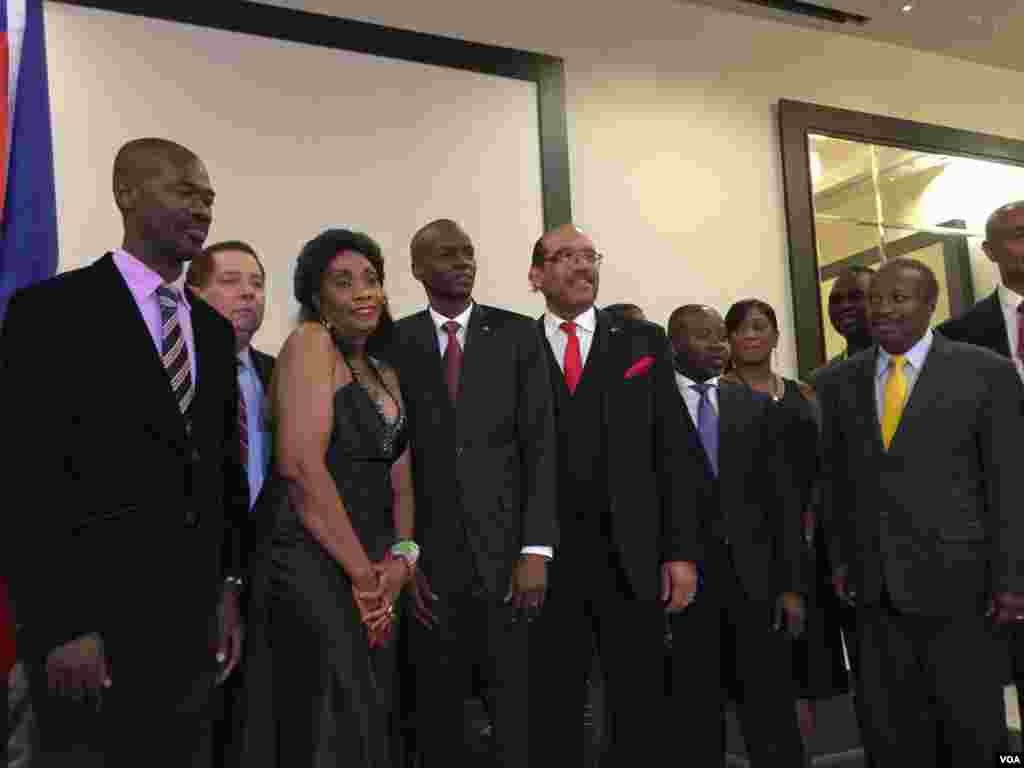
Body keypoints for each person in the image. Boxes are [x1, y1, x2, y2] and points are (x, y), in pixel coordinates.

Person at [0, 138, 245, 765]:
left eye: (209, 198)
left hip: (190, 636)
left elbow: (221, 474)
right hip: (91, 637)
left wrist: (227, 590)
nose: (203, 208)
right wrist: (60, 626)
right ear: (126, 193)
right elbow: (26, 477)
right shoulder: (51, 311)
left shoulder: (212, 332)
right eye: (186, 191)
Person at [817, 257, 1024, 766]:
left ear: (929, 305)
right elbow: (836, 484)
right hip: (872, 591)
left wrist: (1012, 578)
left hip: (962, 587)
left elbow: (1009, 482)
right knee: (890, 732)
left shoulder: (986, 372)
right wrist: (841, 562)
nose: (882, 309)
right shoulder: (838, 383)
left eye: (899, 297)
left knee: (971, 728)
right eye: (876, 298)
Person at [526, 224, 703, 767]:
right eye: (566, 257)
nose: (582, 267)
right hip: (547, 561)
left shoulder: (641, 342)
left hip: (632, 555)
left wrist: (680, 552)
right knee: (553, 705)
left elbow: (672, 451)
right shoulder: (515, 346)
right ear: (536, 276)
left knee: (640, 704)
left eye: (589, 256)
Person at [390, 219, 557, 768]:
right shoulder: (395, 341)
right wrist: (405, 559)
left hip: (508, 560)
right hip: (430, 568)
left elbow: (540, 446)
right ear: (417, 269)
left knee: (516, 714)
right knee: (437, 719)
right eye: (446, 254)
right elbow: (389, 461)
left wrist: (536, 550)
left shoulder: (517, 335)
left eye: (467, 252)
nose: (462, 261)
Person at [255, 229, 414, 767]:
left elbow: (401, 478)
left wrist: (401, 558)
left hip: (372, 562)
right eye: (343, 282)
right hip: (314, 556)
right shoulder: (310, 345)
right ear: (317, 297)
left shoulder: (383, 369)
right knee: (332, 714)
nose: (363, 292)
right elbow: (299, 469)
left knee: (370, 717)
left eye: (371, 279)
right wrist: (364, 578)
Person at [667, 304, 807, 766]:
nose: (718, 345)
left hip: (755, 583)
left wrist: (789, 586)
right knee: (695, 711)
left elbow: (780, 501)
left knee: (770, 711)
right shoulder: (649, 405)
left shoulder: (751, 405)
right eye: (703, 335)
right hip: (684, 588)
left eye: (719, 337)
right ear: (674, 343)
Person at [721, 299, 849, 758]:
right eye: (738, 328)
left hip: (810, 542)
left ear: (776, 336)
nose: (750, 335)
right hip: (754, 549)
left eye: (760, 326)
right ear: (728, 340)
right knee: (761, 666)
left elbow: (825, 467)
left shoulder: (806, 394)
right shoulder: (718, 395)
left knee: (809, 660)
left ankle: (810, 752)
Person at [186, 240, 274, 768]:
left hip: (273, 570)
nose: (249, 293)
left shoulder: (279, 370)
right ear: (193, 293)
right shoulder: (180, 375)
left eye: (258, 283)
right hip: (204, 577)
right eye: (231, 281)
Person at [811, 266, 874, 381]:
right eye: (836, 300)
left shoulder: (910, 362)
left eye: (855, 297)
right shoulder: (822, 379)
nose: (845, 306)